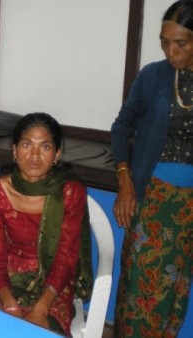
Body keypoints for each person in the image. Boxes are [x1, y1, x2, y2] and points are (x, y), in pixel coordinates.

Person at [111, 1, 193, 337]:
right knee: (137, 288)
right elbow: (120, 128)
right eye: (164, 41)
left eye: (180, 44)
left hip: (188, 209)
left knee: (176, 287)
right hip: (152, 199)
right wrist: (125, 179)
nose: (170, 51)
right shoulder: (152, 76)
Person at [0, 112, 93, 336]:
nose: (35, 155)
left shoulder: (69, 193)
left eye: (46, 147)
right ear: (14, 150)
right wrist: (9, 304)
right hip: (6, 281)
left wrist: (41, 309)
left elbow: (67, 257)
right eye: (26, 144)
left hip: (53, 285)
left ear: (57, 154)